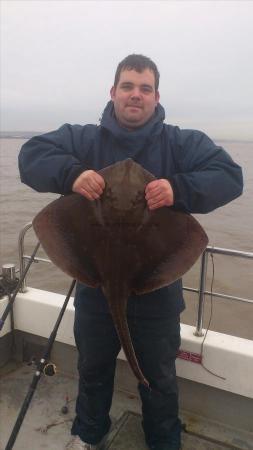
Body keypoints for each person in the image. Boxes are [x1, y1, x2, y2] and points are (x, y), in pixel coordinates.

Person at [18, 54, 243, 450]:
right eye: (128, 86)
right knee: (93, 369)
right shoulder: (83, 139)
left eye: (144, 88)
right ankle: (90, 436)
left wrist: (179, 189)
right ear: (113, 92)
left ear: (157, 96)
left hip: (157, 286)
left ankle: (163, 442)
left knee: (158, 375)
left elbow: (229, 176)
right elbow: (31, 156)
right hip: (95, 284)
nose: (135, 95)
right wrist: (71, 174)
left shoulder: (180, 143)